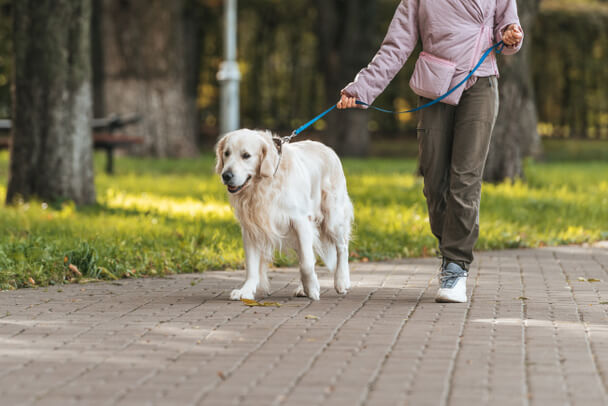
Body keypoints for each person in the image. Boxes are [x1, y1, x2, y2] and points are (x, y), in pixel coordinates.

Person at [337, 0, 523, 303]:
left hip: (480, 84)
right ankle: (450, 244)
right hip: (435, 84)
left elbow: (508, 29)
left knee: (465, 177)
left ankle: (455, 264)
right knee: (435, 182)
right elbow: (396, 46)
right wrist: (362, 88)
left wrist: (512, 35)